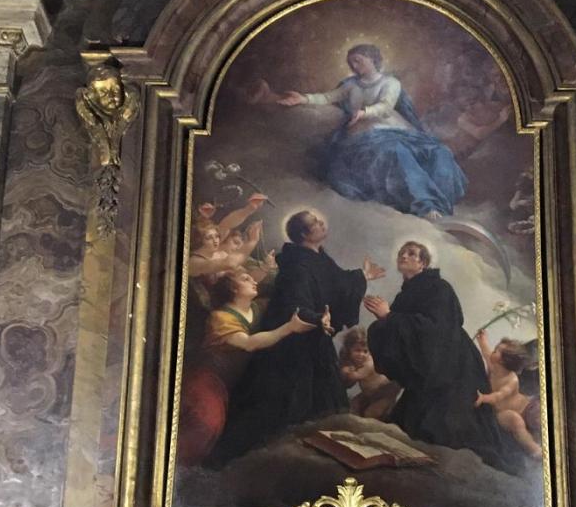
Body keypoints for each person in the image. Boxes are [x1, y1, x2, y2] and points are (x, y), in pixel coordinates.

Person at [212, 210, 384, 463]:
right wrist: (315, 318)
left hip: (314, 336)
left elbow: (337, 282)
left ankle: (319, 456)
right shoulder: (296, 264)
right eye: (314, 222)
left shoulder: (319, 257)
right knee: (282, 401)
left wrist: (362, 276)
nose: (321, 222)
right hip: (292, 342)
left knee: (323, 404)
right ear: (304, 234)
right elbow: (293, 302)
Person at [364, 241, 524, 475]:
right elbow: (403, 335)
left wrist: (389, 317)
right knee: (410, 429)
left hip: (453, 366)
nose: (404, 256)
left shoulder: (438, 288)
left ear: (423, 263)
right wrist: (384, 323)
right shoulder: (407, 293)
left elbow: (436, 329)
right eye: (401, 253)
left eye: (411, 254)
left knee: (450, 433)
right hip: (432, 367)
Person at [268, 44, 468, 219]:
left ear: (372, 59)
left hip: (394, 129)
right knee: (396, 152)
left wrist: (365, 112)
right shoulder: (350, 85)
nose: (354, 66)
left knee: (439, 152)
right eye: (351, 63)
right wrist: (303, 98)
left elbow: (386, 106)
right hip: (364, 136)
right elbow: (328, 97)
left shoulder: (391, 83)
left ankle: (443, 204)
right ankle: (426, 205)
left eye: (358, 61)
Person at [176, 269, 316, 465]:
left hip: (235, 383)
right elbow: (248, 343)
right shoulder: (220, 317)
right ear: (233, 288)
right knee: (206, 422)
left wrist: (318, 319)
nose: (253, 280)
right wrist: (288, 328)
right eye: (245, 278)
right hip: (207, 378)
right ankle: (178, 469)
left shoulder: (258, 309)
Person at [473, 330, 542, 458]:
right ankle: (534, 449)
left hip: (526, 408)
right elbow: (487, 354)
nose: (494, 350)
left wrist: (484, 398)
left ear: (505, 362)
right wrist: (482, 341)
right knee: (516, 422)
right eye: (497, 349)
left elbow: (499, 395)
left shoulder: (511, 380)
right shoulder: (494, 366)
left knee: (539, 413)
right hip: (502, 413)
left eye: (499, 351)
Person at [338, 327, 400, 420]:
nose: (361, 355)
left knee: (370, 413)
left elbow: (355, 376)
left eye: (365, 351)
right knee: (353, 405)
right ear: (349, 349)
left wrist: (345, 372)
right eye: (357, 350)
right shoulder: (352, 362)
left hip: (385, 392)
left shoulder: (369, 363)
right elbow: (349, 384)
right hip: (369, 393)